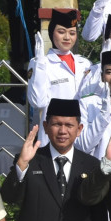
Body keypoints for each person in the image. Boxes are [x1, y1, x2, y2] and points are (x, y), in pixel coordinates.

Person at [28, 9, 93, 143]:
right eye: (61, 32)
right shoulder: (41, 63)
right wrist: (39, 63)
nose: (67, 38)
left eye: (72, 33)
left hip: (81, 134)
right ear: (52, 33)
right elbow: (37, 102)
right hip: (55, 134)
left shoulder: (84, 64)